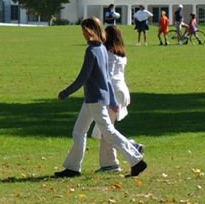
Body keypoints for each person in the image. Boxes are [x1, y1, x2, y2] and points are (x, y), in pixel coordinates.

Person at [54, 17, 146, 179]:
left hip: (95, 100)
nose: (82, 33)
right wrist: (111, 99)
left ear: (89, 31)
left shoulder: (92, 51)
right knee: (79, 131)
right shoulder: (101, 49)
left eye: (83, 30)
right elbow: (106, 78)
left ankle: (136, 160)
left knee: (107, 132)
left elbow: (83, 77)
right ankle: (72, 167)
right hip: (93, 99)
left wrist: (65, 93)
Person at [90, 26, 132, 172]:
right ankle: (110, 161)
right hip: (122, 90)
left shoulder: (107, 53)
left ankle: (112, 161)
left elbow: (107, 77)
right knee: (108, 128)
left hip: (112, 91)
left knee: (106, 129)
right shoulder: (122, 55)